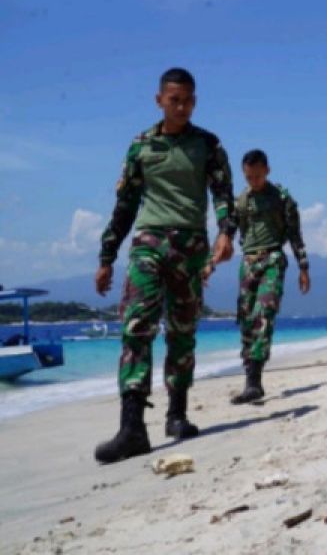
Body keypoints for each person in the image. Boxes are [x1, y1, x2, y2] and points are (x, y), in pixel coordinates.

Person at [93, 67, 237, 464]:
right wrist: (106, 257)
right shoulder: (141, 147)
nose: (182, 106)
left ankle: (176, 415)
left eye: (189, 99)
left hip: (190, 247)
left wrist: (227, 232)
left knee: (182, 331)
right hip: (148, 243)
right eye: (174, 100)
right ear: (159, 100)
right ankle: (132, 426)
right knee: (137, 324)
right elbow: (124, 206)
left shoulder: (208, 145)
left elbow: (224, 193)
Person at [228, 149, 311, 404]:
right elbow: (229, 232)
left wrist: (303, 267)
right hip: (247, 262)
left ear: (267, 171)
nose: (253, 181)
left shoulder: (282, 199)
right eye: (248, 177)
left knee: (263, 314)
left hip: (273, 259)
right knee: (245, 320)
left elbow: (295, 235)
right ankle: (250, 381)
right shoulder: (241, 202)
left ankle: (254, 381)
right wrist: (210, 262)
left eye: (257, 175)